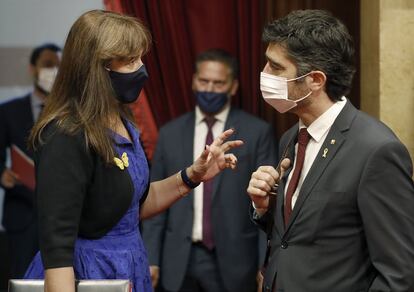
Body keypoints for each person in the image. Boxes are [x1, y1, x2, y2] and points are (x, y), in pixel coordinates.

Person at [23, 10, 243, 292]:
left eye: (141, 58)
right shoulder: (65, 135)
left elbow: (130, 208)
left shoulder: (122, 120)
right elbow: (57, 246)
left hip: (128, 264)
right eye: (130, 61)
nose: (142, 69)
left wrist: (191, 176)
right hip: (88, 273)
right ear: (97, 68)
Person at [247, 9, 414, 292]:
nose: (264, 75)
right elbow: (301, 235)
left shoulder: (376, 150)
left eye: (276, 68)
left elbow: (399, 272)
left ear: (315, 80)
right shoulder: (292, 136)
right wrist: (265, 209)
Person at [142, 49, 277, 292]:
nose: (210, 89)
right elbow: (154, 201)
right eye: (204, 81)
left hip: (236, 262)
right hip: (178, 261)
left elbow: (265, 206)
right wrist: (151, 258)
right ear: (194, 81)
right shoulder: (170, 133)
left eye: (218, 83)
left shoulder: (257, 132)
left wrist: (264, 263)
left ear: (233, 86)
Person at [0, 43, 60, 278]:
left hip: (60, 220)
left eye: (57, 66)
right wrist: (2, 174)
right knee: (22, 279)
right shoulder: (8, 111)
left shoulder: (69, 113)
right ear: (32, 69)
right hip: (21, 216)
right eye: (47, 65)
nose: (52, 71)